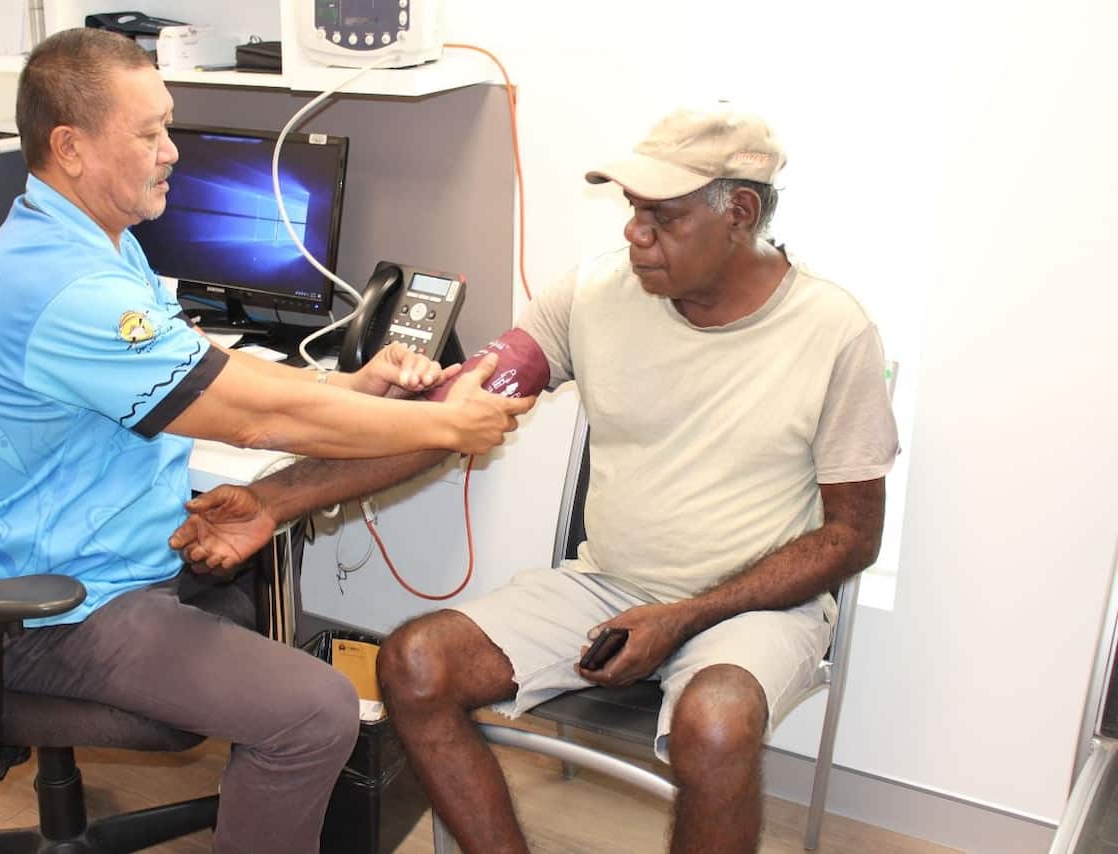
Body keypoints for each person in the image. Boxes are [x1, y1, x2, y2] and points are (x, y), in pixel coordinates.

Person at [169, 106, 899, 853]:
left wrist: (683, 617)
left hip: (753, 608)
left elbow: (852, 537)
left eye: (664, 217)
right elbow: (449, 419)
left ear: (739, 212)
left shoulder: (833, 331)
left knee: (715, 725)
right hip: (609, 586)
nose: (635, 234)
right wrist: (274, 500)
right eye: (633, 210)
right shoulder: (591, 294)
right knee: (415, 664)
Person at [0, 27, 535, 854]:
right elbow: (253, 418)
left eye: (167, 126)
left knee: (270, 618)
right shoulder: (67, 286)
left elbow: (211, 365)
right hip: (55, 609)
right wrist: (442, 423)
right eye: (148, 134)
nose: (171, 152)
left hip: (106, 560)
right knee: (313, 710)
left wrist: (350, 387)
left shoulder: (89, 239)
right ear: (70, 148)